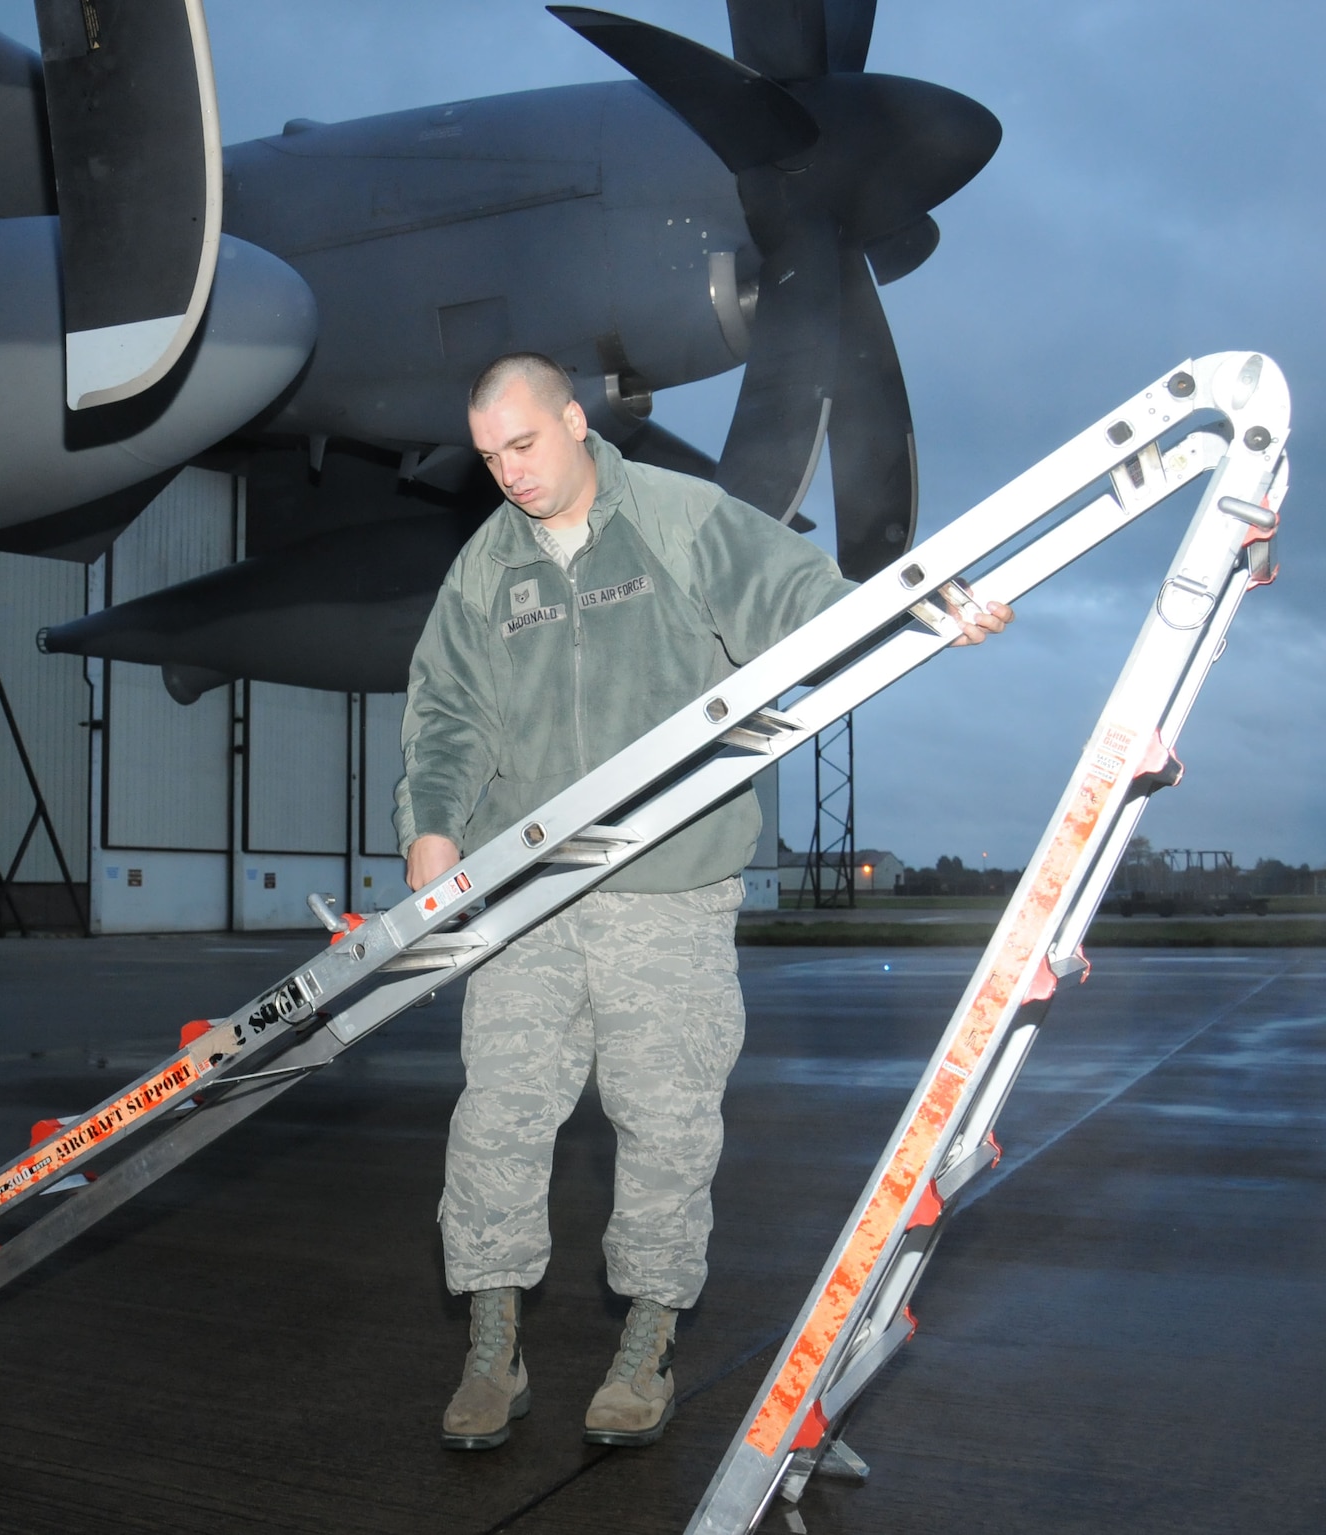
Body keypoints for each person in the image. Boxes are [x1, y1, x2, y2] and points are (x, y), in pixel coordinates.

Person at [394, 352, 1009, 1452]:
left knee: (665, 1126)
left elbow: (796, 600)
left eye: (523, 445)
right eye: (489, 458)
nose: (509, 474)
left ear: (575, 421)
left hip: (666, 891)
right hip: (522, 896)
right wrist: (431, 829)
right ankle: (493, 1345)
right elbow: (445, 713)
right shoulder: (485, 568)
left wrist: (913, 608)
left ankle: (647, 1344)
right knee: (495, 1121)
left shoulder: (679, 522)